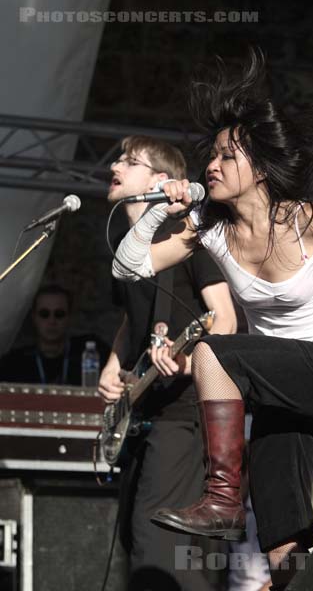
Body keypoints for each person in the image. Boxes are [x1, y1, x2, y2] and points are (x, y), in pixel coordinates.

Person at [111, 50, 313, 590]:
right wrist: (158, 210)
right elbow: (128, 265)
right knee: (279, 523)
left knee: (216, 349)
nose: (212, 166)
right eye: (211, 156)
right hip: (280, 385)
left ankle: (221, 498)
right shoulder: (209, 227)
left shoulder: (307, 220)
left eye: (227, 156)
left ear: (260, 168)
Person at [98, 135, 237, 590]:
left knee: (156, 544)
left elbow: (224, 319)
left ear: (159, 181)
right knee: (140, 542)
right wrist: (113, 364)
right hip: (146, 410)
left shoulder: (185, 236)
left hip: (184, 412)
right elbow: (131, 317)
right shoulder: (126, 242)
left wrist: (191, 354)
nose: (116, 164)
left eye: (130, 160)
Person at [0, 284, 108, 385]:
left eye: (59, 314)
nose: (52, 321)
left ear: (69, 317)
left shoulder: (90, 353)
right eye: (44, 314)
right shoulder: (15, 363)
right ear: (34, 317)